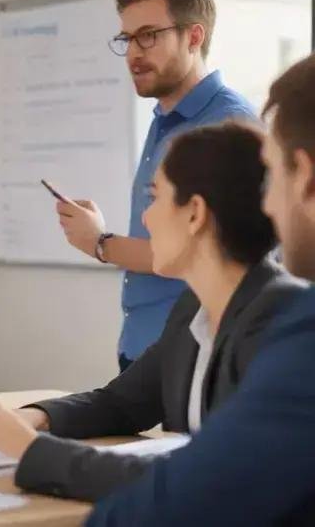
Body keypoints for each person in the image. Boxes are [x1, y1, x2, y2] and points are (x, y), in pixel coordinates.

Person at [0, 122, 306, 501]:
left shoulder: (281, 324)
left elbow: (201, 480)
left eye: (155, 198)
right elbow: (122, 403)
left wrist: (29, 450)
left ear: (194, 213)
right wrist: (34, 418)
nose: (145, 218)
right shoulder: (195, 307)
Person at [81, 53, 315, 525]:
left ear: (305, 178)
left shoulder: (298, 333)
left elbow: (178, 502)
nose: (268, 206)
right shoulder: (196, 312)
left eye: (275, 177)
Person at [56, 0, 256, 370]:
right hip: (143, 347)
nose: (133, 52)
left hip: (194, 353)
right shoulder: (165, 118)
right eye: (127, 39)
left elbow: (203, 251)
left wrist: (100, 242)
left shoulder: (227, 125)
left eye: (148, 35)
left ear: (194, 37)